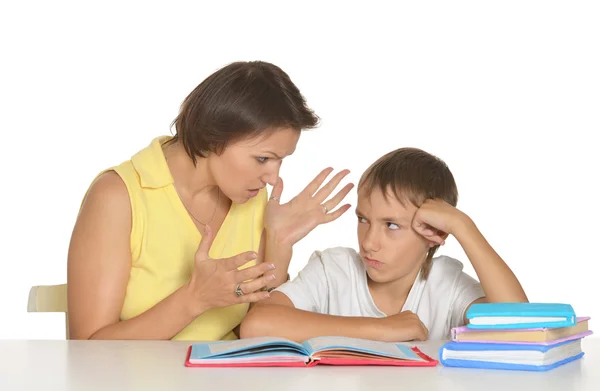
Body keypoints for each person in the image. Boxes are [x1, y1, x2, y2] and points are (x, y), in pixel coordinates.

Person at [66, 61, 354, 341]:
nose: (272, 177)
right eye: (263, 159)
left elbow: (257, 331)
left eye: (280, 161)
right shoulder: (117, 197)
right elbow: (88, 349)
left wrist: (279, 243)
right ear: (214, 136)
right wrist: (193, 300)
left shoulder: (250, 198)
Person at [241, 147, 529, 342]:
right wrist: (381, 329)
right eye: (364, 219)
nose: (370, 243)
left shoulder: (446, 285)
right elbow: (256, 325)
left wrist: (464, 228)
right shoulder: (334, 270)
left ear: (434, 234)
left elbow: (520, 325)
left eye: (392, 225)